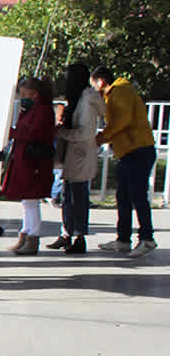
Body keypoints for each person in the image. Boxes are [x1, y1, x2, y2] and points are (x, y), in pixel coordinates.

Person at [91, 66, 158, 257]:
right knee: (123, 197)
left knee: (137, 196)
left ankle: (147, 238)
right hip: (127, 152)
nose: (93, 87)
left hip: (138, 150)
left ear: (101, 81)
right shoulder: (112, 95)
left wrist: (104, 136)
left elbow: (123, 120)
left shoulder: (119, 91)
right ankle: (123, 239)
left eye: (93, 83)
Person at [49, 63, 105, 254]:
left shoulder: (87, 99)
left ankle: (79, 236)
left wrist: (62, 132)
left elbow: (85, 132)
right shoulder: (78, 98)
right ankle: (66, 233)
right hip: (71, 153)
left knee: (78, 196)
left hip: (80, 152)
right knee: (67, 196)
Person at [1, 77, 56, 255]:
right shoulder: (33, 110)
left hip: (34, 160)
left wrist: (13, 132)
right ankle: (26, 234)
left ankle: (33, 236)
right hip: (25, 158)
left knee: (31, 199)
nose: (23, 97)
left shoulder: (43, 110)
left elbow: (34, 133)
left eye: (26, 94)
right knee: (26, 200)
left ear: (35, 94)